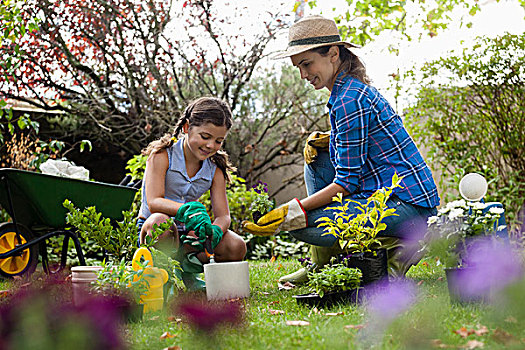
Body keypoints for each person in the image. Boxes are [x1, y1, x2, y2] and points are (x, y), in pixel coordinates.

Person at [243, 15, 440, 283]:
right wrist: (328, 139)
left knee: (298, 226)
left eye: (306, 63)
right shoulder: (347, 91)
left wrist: (291, 210)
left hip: (408, 206)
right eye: (297, 67)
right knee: (316, 159)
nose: (303, 75)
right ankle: (322, 264)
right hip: (389, 193)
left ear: (333, 53)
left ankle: (399, 246)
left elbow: (346, 182)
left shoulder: (349, 99)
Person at [137, 97, 247, 290]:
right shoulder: (162, 155)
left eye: (218, 141)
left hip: (189, 236)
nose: (211, 145)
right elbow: (153, 201)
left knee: (236, 245)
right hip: (156, 231)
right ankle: (164, 280)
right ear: (187, 127)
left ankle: (188, 274)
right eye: (205, 137)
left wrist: (215, 231)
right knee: (160, 223)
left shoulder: (215, 169)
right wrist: (187, 210)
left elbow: (223, 216)